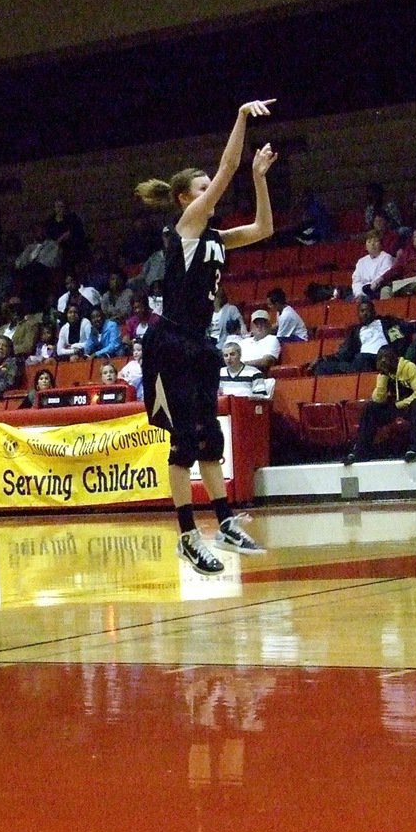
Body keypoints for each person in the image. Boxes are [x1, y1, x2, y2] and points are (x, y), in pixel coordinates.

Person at [134, 98, 277, 575]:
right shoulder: (188, 227)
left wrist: (259, 180)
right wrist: (238, 116)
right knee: (182, 444)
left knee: (208, 439)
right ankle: (188, 536)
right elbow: (226, 167)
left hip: (200, 344)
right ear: (186, 200)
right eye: (202, 189)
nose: (210, 194)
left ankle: (224, 520)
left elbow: (264, 228)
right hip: (170, 342)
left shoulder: (216, 236)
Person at [342, 345, 416, 465]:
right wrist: (383, 376)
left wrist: (399, 405)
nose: (383, 361)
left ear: (394, 358)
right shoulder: (384, 374)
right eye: (380, 358)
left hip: (413, 406)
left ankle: (415, 449)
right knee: (370, 407)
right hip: (396, 407)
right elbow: (378, 399)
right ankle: (360, 452)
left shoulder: (409, 367)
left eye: (386, 357)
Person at [307, 299, 406, 375]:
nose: (365, 313)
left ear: (374, 312)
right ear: (358, 314)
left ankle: (353, 374)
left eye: (368, 310)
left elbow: (399, 341)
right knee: (322, 367)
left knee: (360, 358)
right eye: (362, 311)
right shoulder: (355, 331)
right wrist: (323, 358)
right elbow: (344, 353)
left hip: (380, 359)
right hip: (359, 361)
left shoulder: (387, 323)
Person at [351, 230, 396, 300]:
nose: (372, 244)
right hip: (362, 293)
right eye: (369, 242)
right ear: (365, 246)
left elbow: (382, 276)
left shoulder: (386, 257)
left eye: (375, 241)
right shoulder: (361, 261)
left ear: (381, 244)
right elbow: (356, 281)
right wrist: (359, 294)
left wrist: (368, 290)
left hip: (377, 290)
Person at [207, 287, 243, 351]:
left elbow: (241, 325)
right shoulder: (207, 312)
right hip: (209, 343)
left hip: (224, 343)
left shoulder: (231, 309)